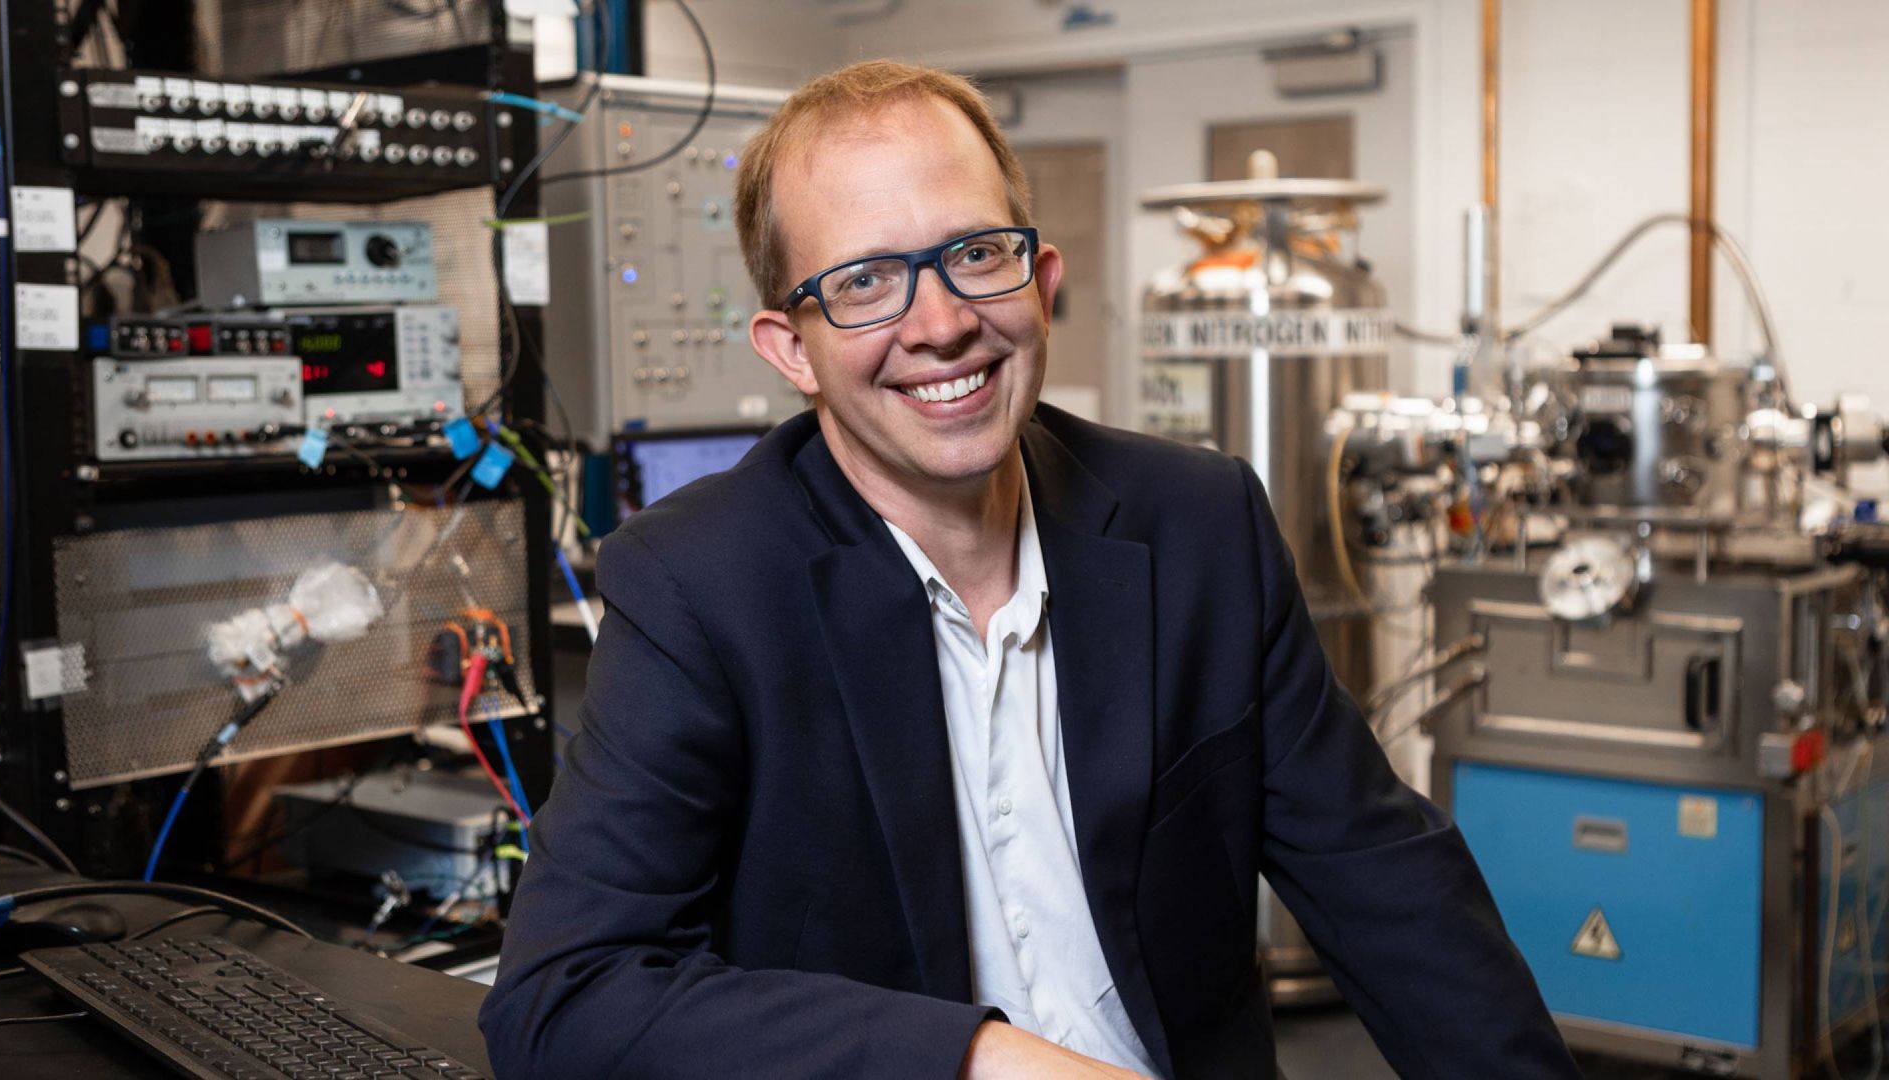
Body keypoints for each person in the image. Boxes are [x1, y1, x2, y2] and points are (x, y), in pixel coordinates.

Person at [479, 60, 1579, 1080]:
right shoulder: (700, 588)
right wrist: (980, 1060)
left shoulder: (1201, 527)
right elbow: (566, 996)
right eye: (865, 282)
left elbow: (1392, 891)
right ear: (790, 349)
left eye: (976, 255)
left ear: (1040, 279)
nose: (944, 325)